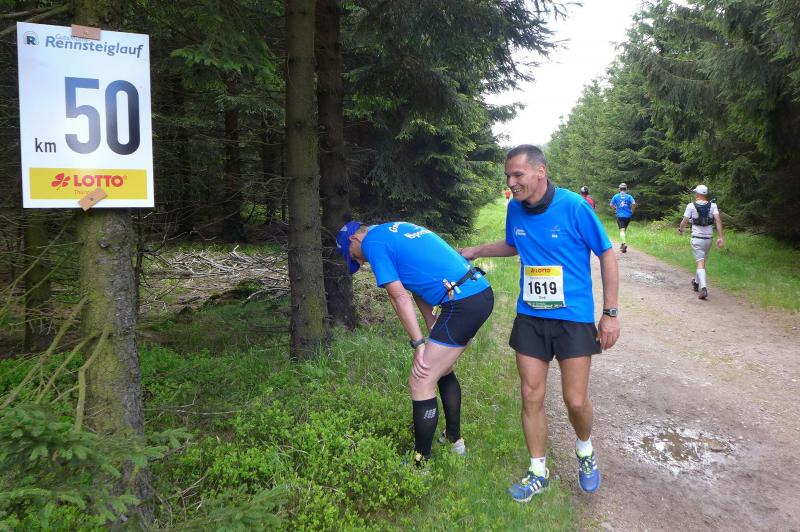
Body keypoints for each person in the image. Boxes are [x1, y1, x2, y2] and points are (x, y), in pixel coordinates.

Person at [460, 145, 619, 502]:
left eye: (517, 174)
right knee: (531, 394)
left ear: (540, 172)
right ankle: (537, 471)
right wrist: (476, 250)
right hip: (531, 315)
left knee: (575, 400)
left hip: (573, 316)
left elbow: (607, 253)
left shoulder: (574, 206)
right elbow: (513, 244)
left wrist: (610, 313)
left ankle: (585, 448)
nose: (511, 182)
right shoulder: (515, 208)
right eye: (508, 176)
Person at [336, 220, 494, 466]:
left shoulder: (372, 244)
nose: (360, 262)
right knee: (442, 369)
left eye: (353, 257)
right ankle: (454, 439)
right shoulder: (393, 231)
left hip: (462, 303)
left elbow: (399, 297)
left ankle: (421, 462)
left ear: (354, 239)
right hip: (477, 292)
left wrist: (419, 343)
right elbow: (417, 286)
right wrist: (432, 326)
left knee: (421, 379)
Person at [678, 185, 724, 300]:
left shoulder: (691, 206)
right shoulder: (713, 206)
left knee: (700, 262)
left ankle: (703, 288)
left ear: (698, 194)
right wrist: (720, 237)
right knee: (702, 262)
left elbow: (684, 221)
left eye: (695, 193)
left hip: (697, 238)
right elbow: (718, 221)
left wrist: (681, 229)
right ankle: (696, 283)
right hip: (709, 239)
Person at [609, 183, 636, 253]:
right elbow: (634, 203)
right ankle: (622, 244)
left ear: (619, 189)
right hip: (628, 216)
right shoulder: (629, 196)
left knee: (622, 230)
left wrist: (615, 209)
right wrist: (632, 211)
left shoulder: (616, 196)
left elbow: (611, 204)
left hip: (620, 216)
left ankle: (624, 244)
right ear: (626, 189)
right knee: (624, 230)